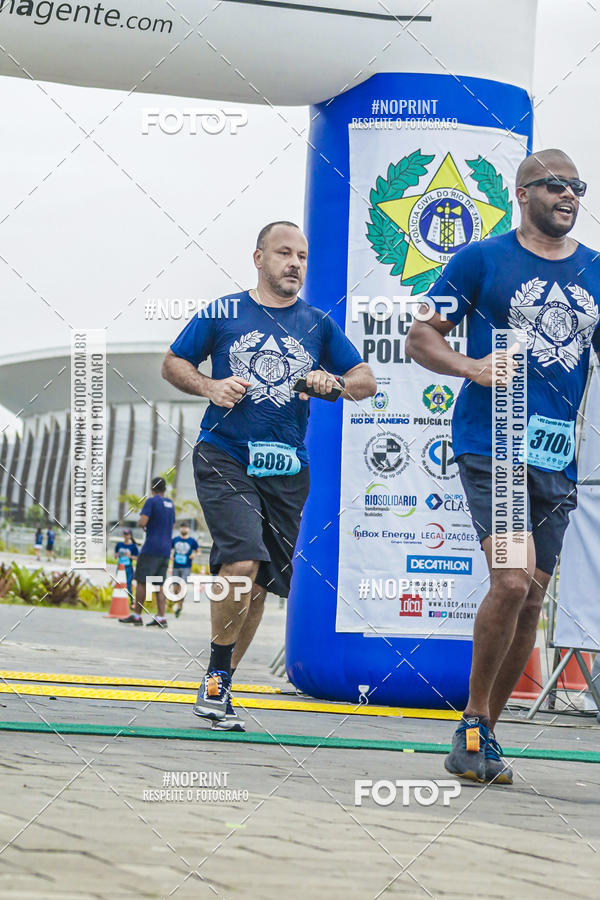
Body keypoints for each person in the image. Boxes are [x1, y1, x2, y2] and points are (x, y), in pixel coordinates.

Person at [406, 149, 600, 785]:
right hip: (494, 439)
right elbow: (419, 337)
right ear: (522, 194)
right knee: (513, 580)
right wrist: (471, 367)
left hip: (554, 454)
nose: (568, 194)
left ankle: (481, 730)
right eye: (554, 185)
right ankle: (470, 721)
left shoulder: (596, 270)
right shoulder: (482, 260)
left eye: (577, 186)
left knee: (531, 595)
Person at [162, 220, 376, 730]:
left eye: (302, 256)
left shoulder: (317, 324)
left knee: (260, 582)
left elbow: (366, 379)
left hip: (285, 468)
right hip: (225, 453)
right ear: (258, 258)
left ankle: (221, 686)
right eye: (285, 253)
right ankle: (215, 679)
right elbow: (173, 362)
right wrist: (210, 386)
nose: (295, 264)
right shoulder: (224, 312)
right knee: (241, 563)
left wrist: (335, 384)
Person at [119, 477, 175, 628]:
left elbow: (143, 522)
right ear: (164, 489)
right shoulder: (171, 504)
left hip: (151, 548)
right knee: (159, 583)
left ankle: (137, 615)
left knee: (142, 581)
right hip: (165, 549)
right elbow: (171, 524)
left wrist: (142, 524)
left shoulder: (151, 501)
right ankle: (161, 617)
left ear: (152, 488)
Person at [170, 522, 199, 618]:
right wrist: (171, 555)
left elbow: (198, 551)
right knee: (175, 588)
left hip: (186, 567)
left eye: (186, 528)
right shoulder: (175, 539)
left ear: (188, 530)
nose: (184, 529)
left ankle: (179, 606)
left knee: (182, 586)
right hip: (176, 566)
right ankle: (179, 602)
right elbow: (170, 548)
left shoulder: (192, 541)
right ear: (180, 529)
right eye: (182, 527)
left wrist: (194, 554)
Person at [114, 528, 139, 607]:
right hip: (120, 567)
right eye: (125, 534)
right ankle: (119, 602)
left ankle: (132, 601)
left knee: (128, 585)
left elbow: (137, 558)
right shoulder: (119, 545)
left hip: (128, 568)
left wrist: (130, 556)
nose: (126, 536)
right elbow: (115, 556)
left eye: (127, 534)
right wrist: (116, 555)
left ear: (130, 536)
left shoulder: (133, 546)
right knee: (119, 584)